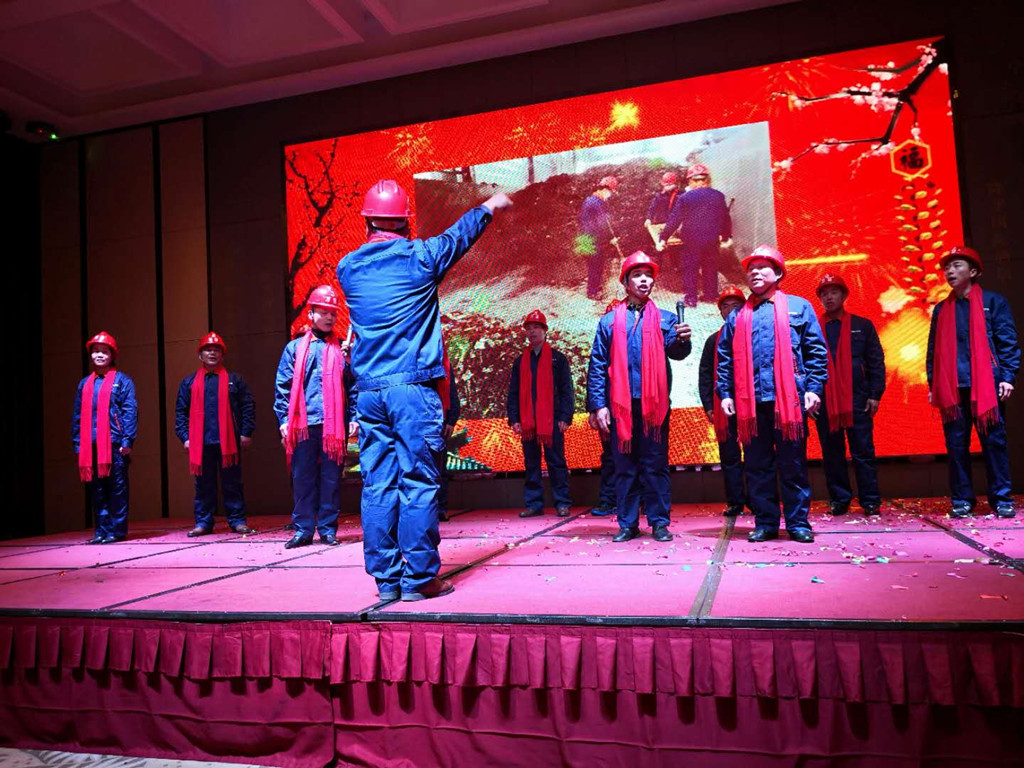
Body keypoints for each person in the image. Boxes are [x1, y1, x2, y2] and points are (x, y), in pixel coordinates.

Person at [338, 179, 512, 601]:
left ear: (367, 222)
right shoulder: (420, 257)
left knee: (378, 485)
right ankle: (419, 579)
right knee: (418, 482)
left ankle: (387, 581)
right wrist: (490, 205)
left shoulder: (348, 268)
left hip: (369, 394)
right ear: (405, 222)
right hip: (412, 390)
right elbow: (458, 236)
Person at [716, 246, 828, 543]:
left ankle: (798, 523)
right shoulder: (737, 316)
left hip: (788, 401)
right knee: (757, 466)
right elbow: (725, 359)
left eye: (762, 268)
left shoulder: (799, 307)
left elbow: (816, 352)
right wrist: (725, 393)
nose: (754, 273)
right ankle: (765, 522)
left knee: (793, 464)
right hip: (751, 404)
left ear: (778, 273)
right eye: (750, 269)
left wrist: (814, 388)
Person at [587, 251, 692, 542]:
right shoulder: (609, 321)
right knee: (624, 466)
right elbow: (597, 365)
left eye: (648, 275)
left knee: (655, 465)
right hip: (620, 407)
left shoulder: (667, 319)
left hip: (653, 406)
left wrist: (683, 340)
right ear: (625, 282)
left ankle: (659, 523)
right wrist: (598, 405)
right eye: (637, 275)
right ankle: (628, 523)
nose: (644, 280)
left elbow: (677, 353)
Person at [927, 246, 1020, 518]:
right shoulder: (941, 309)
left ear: (974, 271)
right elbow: (933, 352)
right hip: (953, 388)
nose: (950, 271)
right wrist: (933, 385)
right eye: (947, 268)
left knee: (994, 444)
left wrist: (1008, 377)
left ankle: (1001, 498)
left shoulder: (993, 301)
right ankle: (962, 500)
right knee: (956, 447)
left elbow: (1007, 342)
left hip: (987, 385)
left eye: (957, 266)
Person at [275, 285, 357, 549]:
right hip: (303, 424)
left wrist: (354, 417)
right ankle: (303, 529)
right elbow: (283, 387)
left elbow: (353, 387)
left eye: (333, 313)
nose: (329, 317)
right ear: (311, 314)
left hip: (334, 425)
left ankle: (328, 529)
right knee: (302, 479)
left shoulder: (343, 351)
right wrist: (283, 420)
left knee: (331, 480)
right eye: (323, 312)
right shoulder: (295, 348)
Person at [814, 274, 886, 516]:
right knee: (832, 453)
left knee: (863, 451)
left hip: (858, 398)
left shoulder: (862, 325)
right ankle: (839, 499)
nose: (829, 297)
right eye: (824, 294)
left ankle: (870, 500)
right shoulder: (813, 328)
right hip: (825, 400)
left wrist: (875, 394)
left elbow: (875, 361)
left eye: (834, 292)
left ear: (844, 295)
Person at [174, 332, 256, 536]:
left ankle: (237, 521)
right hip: (201, 442)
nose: (212, 353)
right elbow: (181, 412)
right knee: (203, 485)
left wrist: (246, 432)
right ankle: (203, 522)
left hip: (229, 441)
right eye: (208, 350)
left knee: (232, 483)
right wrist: (185, 437)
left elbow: (248, 406)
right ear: (200, 355)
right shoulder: (189, 382)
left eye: (216, 350)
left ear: (222, 355)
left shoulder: (234, 380)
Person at [508, 310, 575, 518]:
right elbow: (513, 392)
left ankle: (562, 503)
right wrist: (515, 419)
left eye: (536, 327)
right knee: (531, 463)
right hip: (528, 421)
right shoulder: (520, 361)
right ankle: (534, 504)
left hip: (552, 421)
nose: (532, 332)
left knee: (556, 462)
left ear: (545, 331)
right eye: (529, 328)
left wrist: (565, 417)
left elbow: (566, 390)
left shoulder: (557, 359)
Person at [72, 332, 137, 544]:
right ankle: (101, 531)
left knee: (117, 488)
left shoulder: (122, 381)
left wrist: (127, 440)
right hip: (90, 444)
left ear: (112, 355)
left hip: (114, 443)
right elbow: (78, 415)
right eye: (96, 351)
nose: (99, 355)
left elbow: (130, 411)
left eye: (104, 351)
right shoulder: (84, 384)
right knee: (97, 490)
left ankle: (116, 531)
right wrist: (78, 443)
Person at [698, 285, 748, 517]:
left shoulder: (754, 334)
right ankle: (736, 501)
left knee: (757, 456)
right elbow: (705, 375)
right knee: (729, 456)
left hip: (752, 405)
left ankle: (758, 500)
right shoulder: (713, 340)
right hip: (724, 407)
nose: (731, 311)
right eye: (726, 307)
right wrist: (709, 405)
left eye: (736, 306)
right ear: (720, 312)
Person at [658, 163, 732, 307]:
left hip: (691, 240)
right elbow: (725, 218)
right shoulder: (718, 196)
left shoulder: (685, 198)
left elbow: (674, 220)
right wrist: (726, 236)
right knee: (710, 266)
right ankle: (710, 295)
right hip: (712, 239)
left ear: (691, 180)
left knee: (690, 267)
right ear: (707, 179)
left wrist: (663, 238)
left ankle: (691, 299)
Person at [578, 176, 620, 300]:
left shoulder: (593, 200)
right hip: (591, 239)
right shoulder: (596, 202)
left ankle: (595, 287)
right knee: (595, 266)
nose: (610, 195)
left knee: (596, 265)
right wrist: (611, 238)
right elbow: (603, 224)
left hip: (588, 238)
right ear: (605, 189)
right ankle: (592, 292)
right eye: (611, 192)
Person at [436, 348, 461, 523]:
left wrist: (451, 420)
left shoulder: (444, 364)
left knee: (440, 470)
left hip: (441, 421)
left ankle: (441, 508)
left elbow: (452, 393)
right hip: (419, 420)